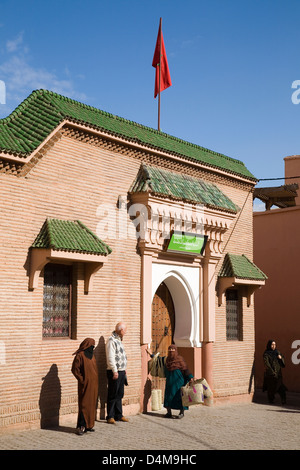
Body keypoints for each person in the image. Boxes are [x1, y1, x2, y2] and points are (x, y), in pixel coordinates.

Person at [148, 344, 194, 419]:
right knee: (168, 396)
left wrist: (190, 377)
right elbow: (159, 360)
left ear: (176, 350)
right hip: (169, 382)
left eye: (173, 350)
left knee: (179, 397)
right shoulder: (167, 359)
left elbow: (185, 369)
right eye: (170, 350)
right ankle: (169, 412)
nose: (171, 351)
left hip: (179, 382)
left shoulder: (180, 359)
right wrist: (152, 355)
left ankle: (181, 412)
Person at [71, 337, 98, 435]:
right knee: (84, 405)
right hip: (85, 385)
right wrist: (82, 380)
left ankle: (89, 425)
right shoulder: (80, 355)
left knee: (91, 404)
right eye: (91, 346)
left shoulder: (92, 356)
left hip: (93, 385)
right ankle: (82, 426)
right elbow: (75, 369)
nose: (92, 348)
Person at [106, 322, 129, 424]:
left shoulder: (119, 340)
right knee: (113, 393)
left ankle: (118, 414)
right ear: (121, 330)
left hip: (121, 371)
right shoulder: (111, 341)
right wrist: (114, 370)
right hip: (114, 372)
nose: (126, 332)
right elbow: (110, 357)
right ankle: (110, 416)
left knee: (120, 393)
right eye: (125, 330)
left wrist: (124, 368)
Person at [263, 339, 287, 405]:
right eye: (272, 345)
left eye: (274, 345)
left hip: (278, 375)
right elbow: (266, 364)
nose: (273, 346)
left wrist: (280, 358)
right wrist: (272, 372)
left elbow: (283, 365)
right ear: (269, 345)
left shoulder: (277, 352)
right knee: (271, 389)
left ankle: (283, 400)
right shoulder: (266, 353)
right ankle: (271, 400)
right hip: (271, 375)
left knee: (281, 387)